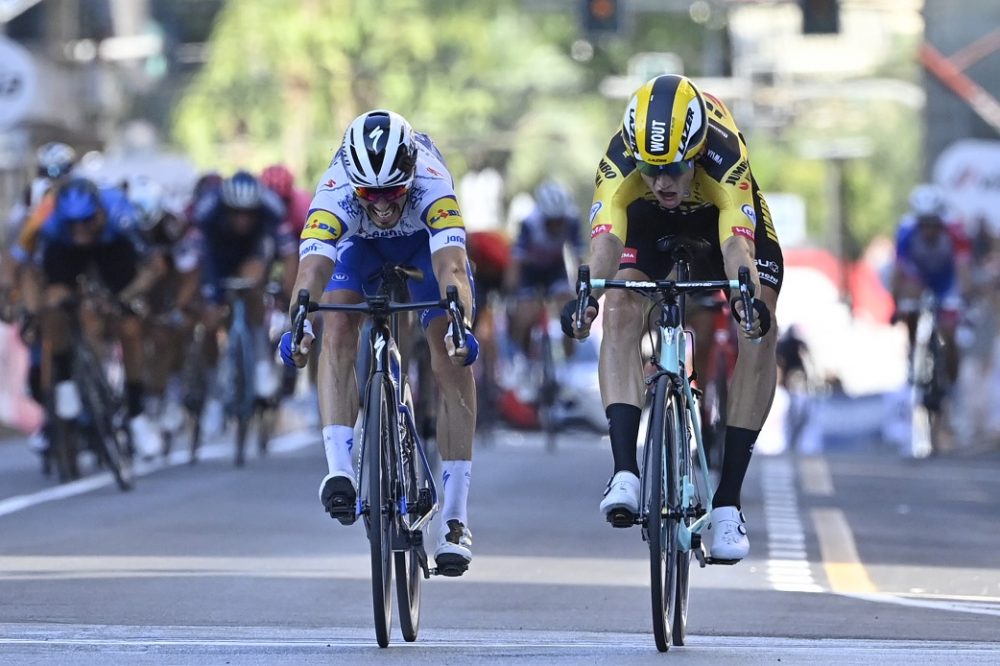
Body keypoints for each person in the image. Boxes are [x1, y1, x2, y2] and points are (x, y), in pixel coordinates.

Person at [562, 74, 782, 562]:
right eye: (650, 169)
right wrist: (588, 296)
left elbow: (736, 244)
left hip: (718, 221)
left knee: (760, 323)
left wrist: (745, 300)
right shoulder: (621, 160)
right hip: (648, 223)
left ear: (697, 153)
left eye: (675, 169)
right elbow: (604, 243)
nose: (662, 182)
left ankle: (727, 504)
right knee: (618, 305)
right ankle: (624, 471)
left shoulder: (725, 155)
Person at [277, 109, 479, 573]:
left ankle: (455, 518)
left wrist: (460, 325)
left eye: (393, 192)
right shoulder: (335, 189)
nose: (383, 204)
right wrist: (298, 325)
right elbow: (310, 274)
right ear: (353, 183)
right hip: (360, 247)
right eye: (371, 193)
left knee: (449, 354)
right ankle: (340, 472)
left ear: (410, 173)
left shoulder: (431, 181)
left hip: (422, 248)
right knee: (338, 324)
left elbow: (451, 268)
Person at [29, 177, 165, 458]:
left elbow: (153, 268)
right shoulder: (50, 223)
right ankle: (66, 379)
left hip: (111, 249)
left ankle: (137, 413)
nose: (80, 229)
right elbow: (30, 270)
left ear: (100, 212)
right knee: (54, 305)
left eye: (86, 221)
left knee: (129, 327)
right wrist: (34, 310)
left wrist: (127, 297)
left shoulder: (121, 216)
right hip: (65, 253)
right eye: (72, 223)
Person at [191, 169, 293, 429]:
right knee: (211, 321)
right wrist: (210, 296)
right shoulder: (207, 212)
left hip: (254, 249)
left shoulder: (271, 210)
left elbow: (287, 255)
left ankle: (260, 363)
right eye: (236, 212)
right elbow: (201, 262)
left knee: (253, 288)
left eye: (248, 213)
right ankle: (214, 395)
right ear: (226, 208)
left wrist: (288, 293)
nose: (242, 219)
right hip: (218, 254)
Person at [891, 183, 971, 391]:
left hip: (947, 280)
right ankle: (912, 354)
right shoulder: (906, 230)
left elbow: (963, 270)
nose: (928, 230)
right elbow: (898, 272)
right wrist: (895, 303)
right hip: (920, 277)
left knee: (949, 332)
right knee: (910, 307)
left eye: (933, 224)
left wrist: (965, 298)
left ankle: (952, 382)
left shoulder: (954, 230)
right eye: (923, 224)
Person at [504, 179, 584, 355]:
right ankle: (524, 358)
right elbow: (516, 261)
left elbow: (578, 256)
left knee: (570, 313)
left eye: (559, 220)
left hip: (555, 269)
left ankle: (568, 362)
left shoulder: (572, 220)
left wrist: (582, 287)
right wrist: (511, 290)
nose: (556, 225)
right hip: (530, 271)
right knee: (526, 316)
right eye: (551, 221)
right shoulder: (529, 223)